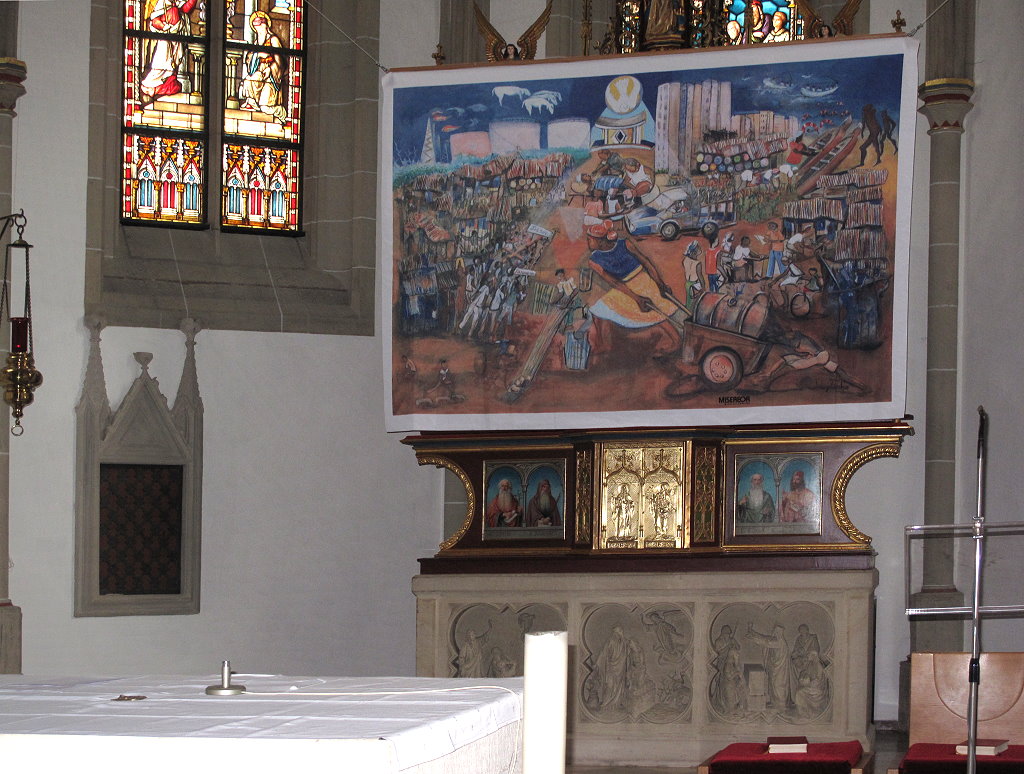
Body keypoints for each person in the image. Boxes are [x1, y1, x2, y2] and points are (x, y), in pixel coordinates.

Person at [583, 219, 690, 360]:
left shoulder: (624, 244)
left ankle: (677, 341)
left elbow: (645, 262)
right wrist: (636, 298)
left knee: (656, 311)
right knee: (597, 309)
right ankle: (603, 344)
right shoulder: (594, 260)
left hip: (643, 282)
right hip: (625, 288)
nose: (588, 243)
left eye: (590, 239)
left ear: (601, 241)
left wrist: (660, 284)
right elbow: (614, 282)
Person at [140, 0, 198, 105]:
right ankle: (150, 85)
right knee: (161, 61)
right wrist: (164, 26)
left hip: (176, 36)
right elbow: (155, 20)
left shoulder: (176, 3)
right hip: (165, 38)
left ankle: (166, 84)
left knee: (174, 62)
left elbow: (185, 9)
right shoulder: (161, 3)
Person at [240, 11, 288, 123]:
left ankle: (281, 113)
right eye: (257, 28)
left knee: (265, 108)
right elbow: (250, 60)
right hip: (260, 72)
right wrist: (256, 55)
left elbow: (280, 62)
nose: (259, 30)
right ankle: (251, 102)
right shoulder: (257, 42)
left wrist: (270, 69)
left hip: (271, 76)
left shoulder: (273, 40)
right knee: (248, 80)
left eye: (261, 26)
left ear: (266, 26)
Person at [746, 622, 790, 710]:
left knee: (778, 685)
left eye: (777, 632)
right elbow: (765, 638)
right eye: (775, 631)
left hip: (780, 669)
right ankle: (775, 703)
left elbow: (766, 642)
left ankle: (781, 705)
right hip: (774, 668)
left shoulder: (780, 642)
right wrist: (752, 631)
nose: (775, 633)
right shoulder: (775, 640)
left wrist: (753, 638)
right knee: (773, 685)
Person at [681, 240, 707, 309]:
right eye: (698, 247)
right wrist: (703, 287)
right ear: (695, 251)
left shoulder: (685, 260)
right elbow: (700, 276)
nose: (700, 248)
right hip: (695, 284)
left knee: (689, 300)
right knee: (699, 299)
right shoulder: (698, 263)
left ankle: (689, 308)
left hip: (687, 284)